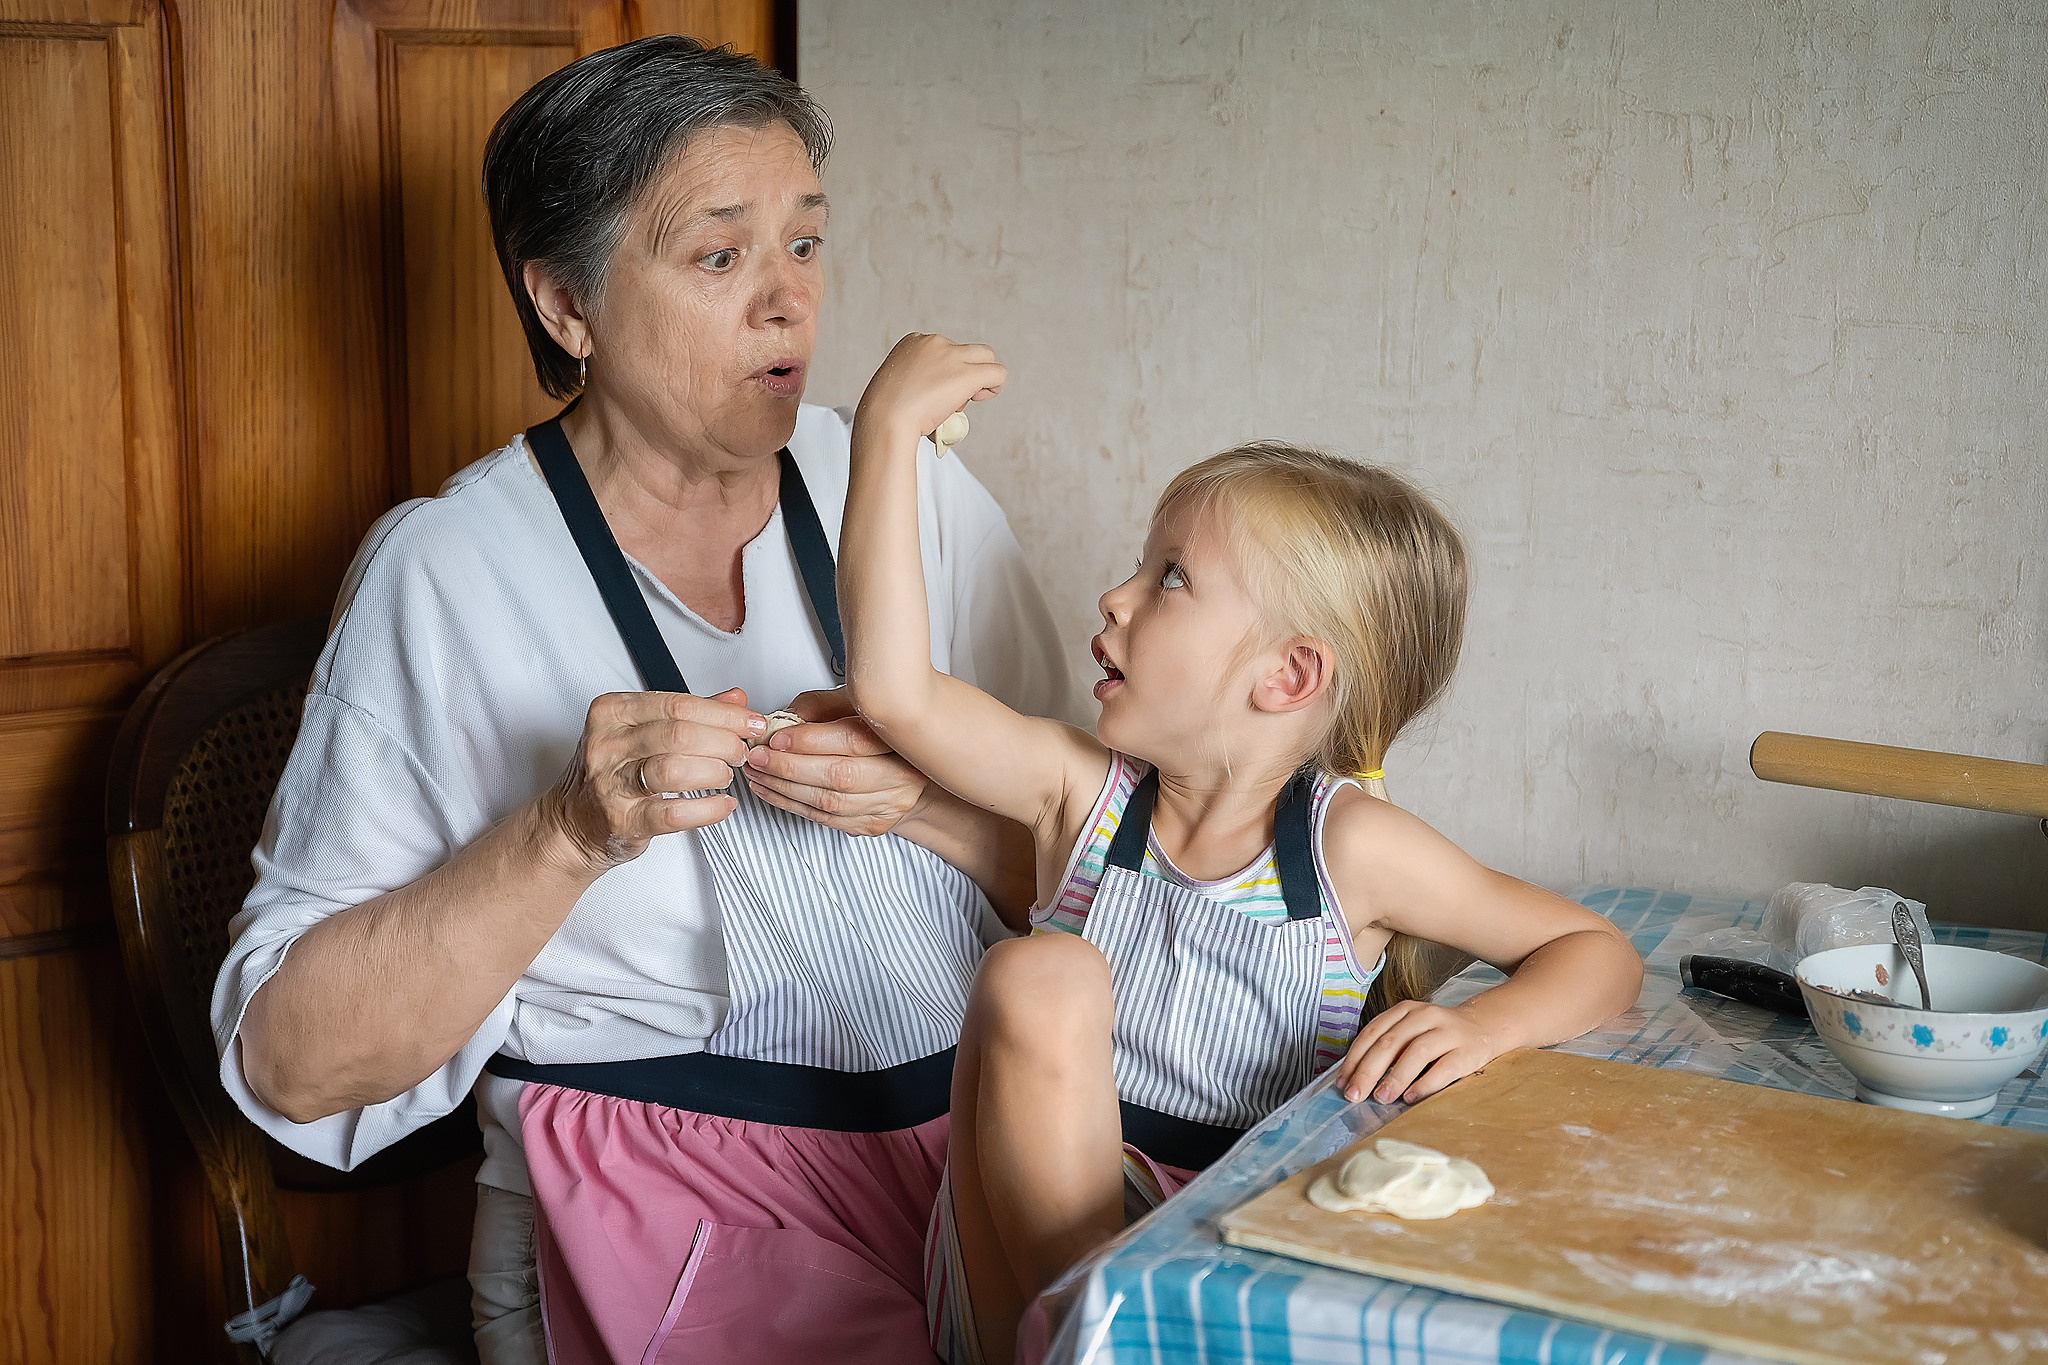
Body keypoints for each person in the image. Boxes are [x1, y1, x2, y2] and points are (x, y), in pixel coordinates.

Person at [210, 40, 1072, 1365]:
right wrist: (563, 830)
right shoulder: (445, 573)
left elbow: (1106, 881)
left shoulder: (908, 494)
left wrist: (933, 814)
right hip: (654, 1222)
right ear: (568, 305)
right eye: (721, 258)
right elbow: (291, 1064)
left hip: (974, 1177)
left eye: (806, 243)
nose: (788, 303)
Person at [835, 335, 1647, 1363]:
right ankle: (1117, 1331)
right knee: (1041, 970)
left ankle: (1140, 1323)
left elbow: (1596, 952)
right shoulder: (1078, 796)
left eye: (1167, 576)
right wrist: (886, 437)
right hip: (1021, 1299)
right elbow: (895, 693)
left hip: (1232, 1259)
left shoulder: (1347, 849)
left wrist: (1487, 1026)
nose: (1113, 597)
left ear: (1288, 676)